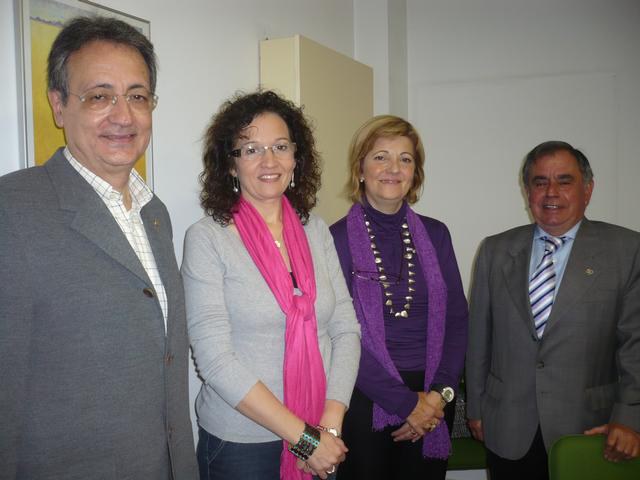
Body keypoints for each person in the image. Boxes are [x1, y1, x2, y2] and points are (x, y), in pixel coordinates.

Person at [0, 16, 197, 480]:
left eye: (137, 96)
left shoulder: (155, 213)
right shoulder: (12, 209)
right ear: (59, 105)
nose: (123, 116)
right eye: (99, 96)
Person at [182, 90, 361, 480]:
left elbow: (346, 329)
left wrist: (329, 425)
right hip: (241, 445)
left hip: (321, 428)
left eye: (280, 146)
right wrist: (305, 440)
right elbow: (214, 359)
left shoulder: (316, 230)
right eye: (251, 149)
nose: (269, 161)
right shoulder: (208, 238)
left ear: (296, 157)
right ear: (230, 164)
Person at [465, 140, 640, 479]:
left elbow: (636, 345)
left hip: (591, 428)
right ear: (527, 190)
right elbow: (478, 340)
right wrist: (477, 408)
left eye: (564, 180)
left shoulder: (627, 251)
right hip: (507, 425)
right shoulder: (495, 250)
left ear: (587, 189)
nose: (551, 192)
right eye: (540, 181)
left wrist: (630, 417)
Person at [329, 115, 469, 479]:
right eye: (381, 157)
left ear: (415, 173)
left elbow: (457, 321)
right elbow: (338, 334)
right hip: (366, 397)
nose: (394, 168)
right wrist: (406, 404)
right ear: (360, 168)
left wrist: (438, 396)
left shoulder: (437, 235)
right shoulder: (334, 239)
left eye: (405, 159)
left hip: (434, 398)